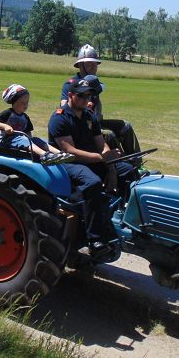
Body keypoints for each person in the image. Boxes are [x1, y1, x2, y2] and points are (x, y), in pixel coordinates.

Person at [49, 76, 134, 255]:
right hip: (67, 164)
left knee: (128, 170)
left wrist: (110, 165)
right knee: (92, 182)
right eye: (81, 96)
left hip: (92, 160)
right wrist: (102, 159)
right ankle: (95, 239)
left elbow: (101, 143)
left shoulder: (89, 116)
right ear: (71, 95)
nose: (86, 99)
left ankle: (123, 217)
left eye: (88, 96)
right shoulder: (59, 119)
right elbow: (70, 152)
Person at [60, 44, 140, 155]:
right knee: (109, 134)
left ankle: (135, 161)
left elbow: (97, 101)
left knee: (125, 126)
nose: (94, 67)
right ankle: (119, 163)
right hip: (81, 125)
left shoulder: (95, 83)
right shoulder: (71, 84)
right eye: (89, 64)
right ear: (81, 66)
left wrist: (98, 114)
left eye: (95, 64)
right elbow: (63, 106)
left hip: (95, 122)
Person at [0, 84, 63, 160]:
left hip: (20, 140)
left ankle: (59, 153)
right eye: (22, 103)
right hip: (5, 140)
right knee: (24, 139)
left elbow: (28, 133)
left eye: (27, 102)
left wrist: (31, 141)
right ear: (14, 102)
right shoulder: (8, 113)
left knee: (37, 139)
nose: (25, 105)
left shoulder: (25, 117)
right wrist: (5, 126)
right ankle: (44, 155)